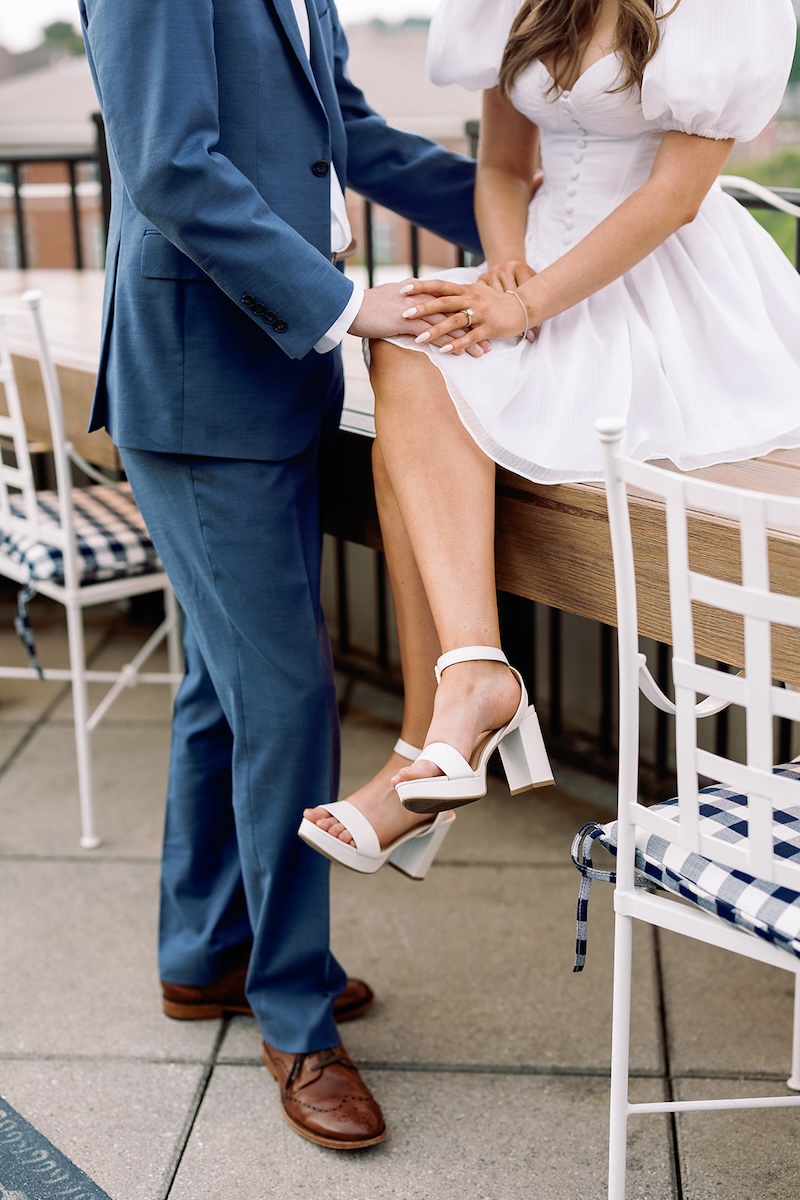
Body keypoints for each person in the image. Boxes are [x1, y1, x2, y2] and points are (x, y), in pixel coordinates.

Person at [78, 0, 484, 1151]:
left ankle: (206, 955)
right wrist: (352, 306)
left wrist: (526, 229)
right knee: (287, 695)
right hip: (203, 381)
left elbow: (341, 129)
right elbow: (170, 165)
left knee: (226, 683)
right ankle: (294, 1018)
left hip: (269, 377)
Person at [301, 0, 800, 869]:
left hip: (663, 291)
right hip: (533, 276)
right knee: (409, 345)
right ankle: (472, 687)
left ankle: (426, 749)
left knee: (404, 449)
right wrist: (503, 274)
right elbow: (499, 166)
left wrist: (528, 303)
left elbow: (675, 199)